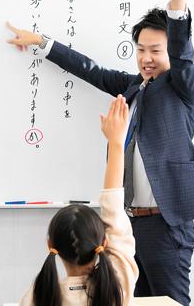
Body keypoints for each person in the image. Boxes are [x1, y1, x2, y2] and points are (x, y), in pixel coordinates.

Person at [7, 0, 194, 304]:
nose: (147, 58)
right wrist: (43, 44)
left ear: (171, 52)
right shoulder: (134, 87)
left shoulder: (183, 87)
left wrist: (177, 0)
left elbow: (184, 56)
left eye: (156, 50)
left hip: (167, 223)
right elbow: (92, 71)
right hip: (131, 224)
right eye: (140, 49)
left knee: (171, 302)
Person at [20, 95, 138, 306]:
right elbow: (114, 208)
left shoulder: (38, 297)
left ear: (50, 245)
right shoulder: (117, 287)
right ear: (103, 242)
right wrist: (116, 143)